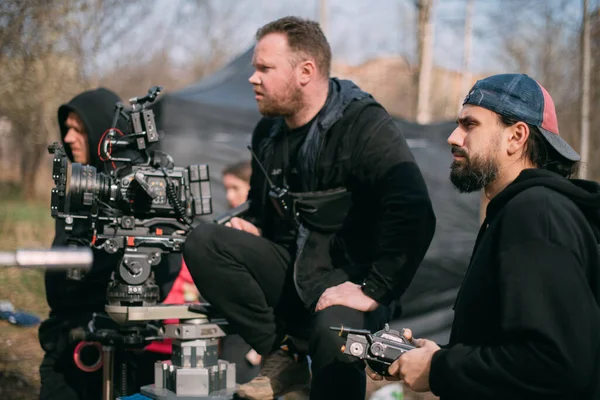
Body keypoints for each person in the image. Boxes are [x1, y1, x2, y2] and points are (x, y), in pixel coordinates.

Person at [182, 16, 436, 400]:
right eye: (255, 68)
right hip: (292, 271)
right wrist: (251, 225)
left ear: (305, 71)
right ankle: (284, 354)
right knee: (204, 241)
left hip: (350, 283)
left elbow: (414, 210)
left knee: (334, 335)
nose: (253, 78)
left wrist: (374, 290)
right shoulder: (267, 132)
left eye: (265, 68)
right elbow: (259, 209)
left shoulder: (362, 124)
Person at [371, 74, 600, 400]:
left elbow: (556, 363)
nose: (453, 137)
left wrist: (439, 368)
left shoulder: (535, 214)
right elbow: (511, 347)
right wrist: (438, 355)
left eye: (470, 125)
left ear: (516, 136)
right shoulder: (515, 212)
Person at [38, 88, 181, 400]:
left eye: (79, 128)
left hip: (127, 351)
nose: (70, 138)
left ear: (103, 133)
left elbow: (164, 263)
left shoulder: (143, 190)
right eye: (67, 129)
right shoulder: (78, 190)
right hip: (67, 347)